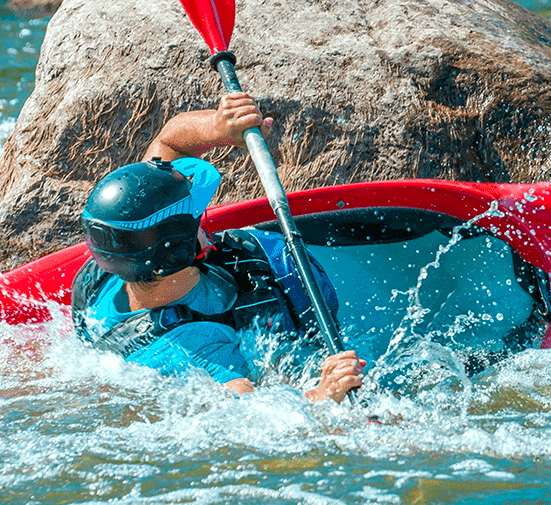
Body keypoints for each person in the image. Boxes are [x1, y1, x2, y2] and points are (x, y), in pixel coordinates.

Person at [71, 92, 365, 402]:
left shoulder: (101, 274)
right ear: (176, 250)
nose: (205, 220)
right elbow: (251, 414)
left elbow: (170, 142)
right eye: (196, 217)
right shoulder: (203, 348)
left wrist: (218, 126)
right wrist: (323, 395)